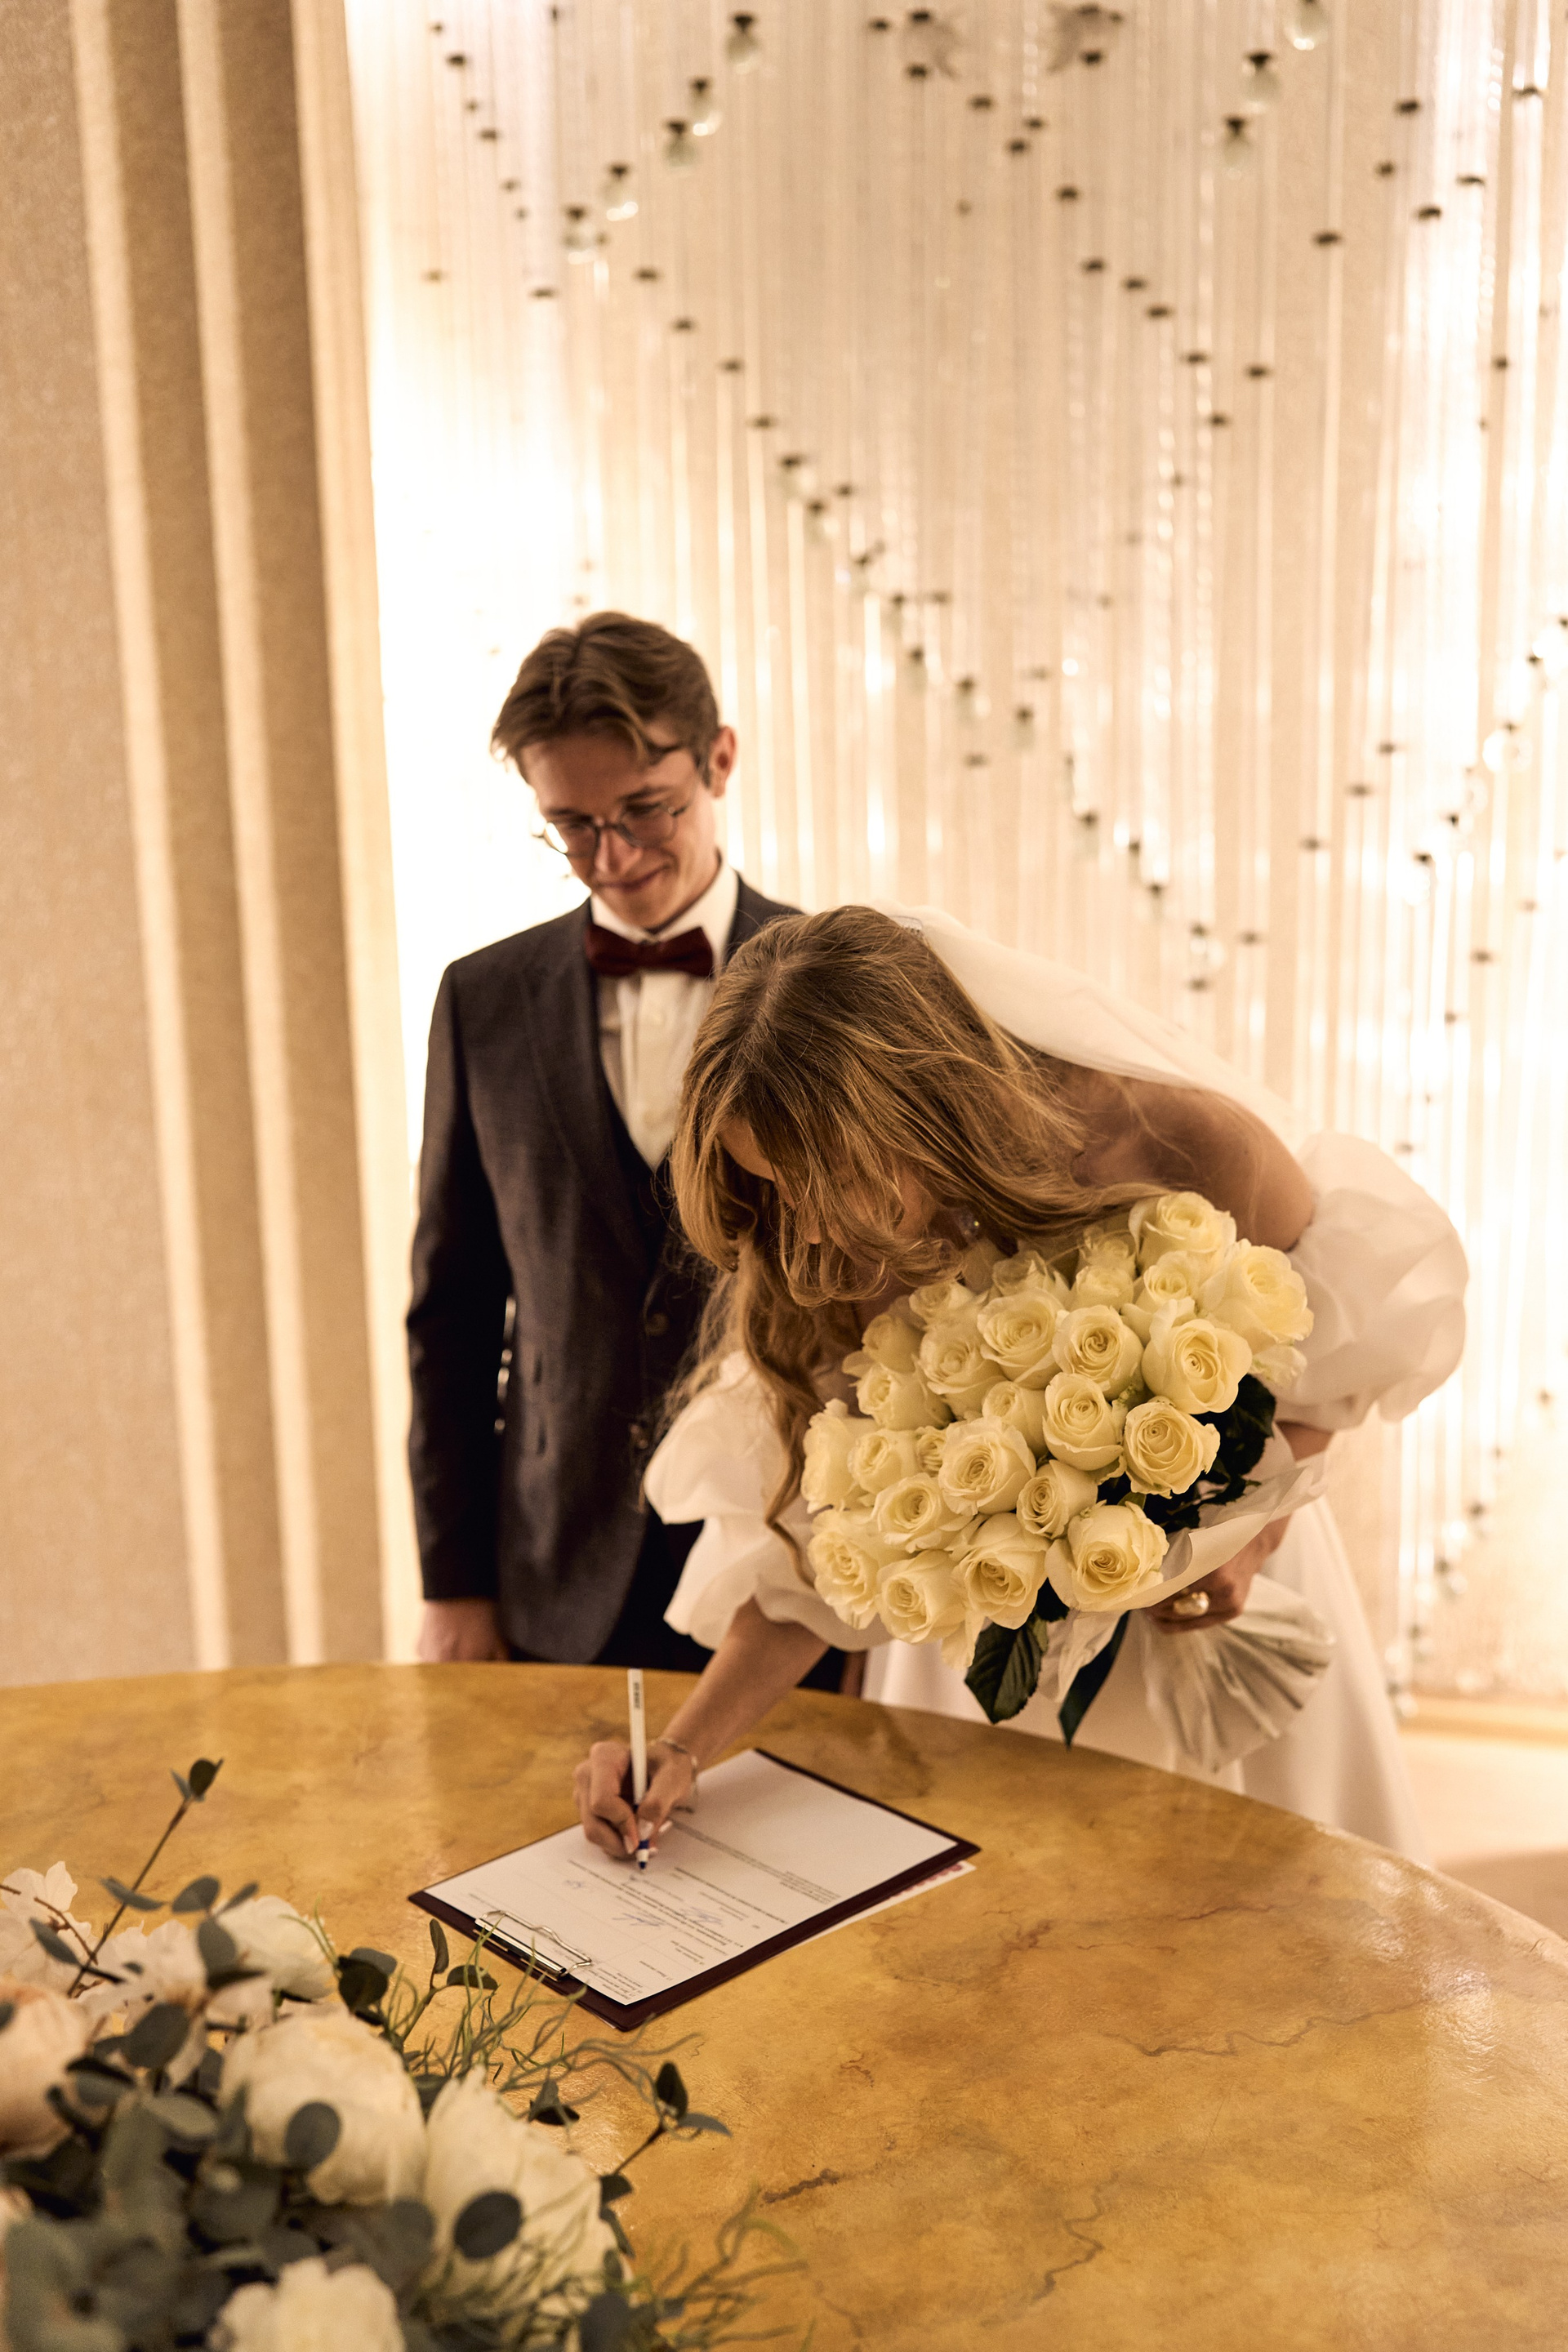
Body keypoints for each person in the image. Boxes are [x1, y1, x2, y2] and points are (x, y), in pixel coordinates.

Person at [572, 903, 1466, 1862]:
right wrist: (677, 1749)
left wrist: (1250, 1540)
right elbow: (814, 1558)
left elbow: (1324, 1372)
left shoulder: (1179, 1142)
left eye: (825, 1175)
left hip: (1211, 1607)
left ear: (920, 1105)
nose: (810, 1226)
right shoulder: (823, 1250)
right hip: (986, 1645)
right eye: (774, 1184)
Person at [408, 612, 843, 1683]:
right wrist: (451, 1582)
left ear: (719, 760)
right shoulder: (482, 1001)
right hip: (554, 1569)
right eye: (571, 825)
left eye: (647, 809)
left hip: (790, 1561)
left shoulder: (842, 988)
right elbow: (452, 1315)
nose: (612, 858)